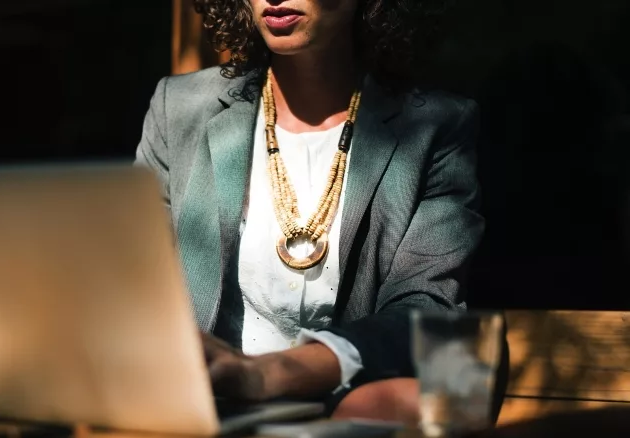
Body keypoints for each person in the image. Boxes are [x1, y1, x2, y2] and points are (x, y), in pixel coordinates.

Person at [135, 0, 485, 422]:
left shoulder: (437, 126)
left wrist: (268, 374)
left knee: (457, 385)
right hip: (209, 410)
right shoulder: (180, 108)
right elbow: (134, 282)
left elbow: (428, 309)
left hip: (353, 402)